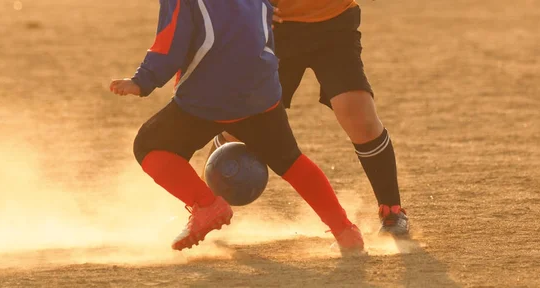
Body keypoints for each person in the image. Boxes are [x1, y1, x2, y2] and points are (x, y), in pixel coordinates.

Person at [109, 0, 364, 253]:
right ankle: (345, 230)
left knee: (149, 145)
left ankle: (206, 204)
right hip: (260, 91)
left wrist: (142, 81)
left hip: (211, 94)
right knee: (291, 161)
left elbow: (170, 44)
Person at [203, 0, 410, 236]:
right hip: (274, 29)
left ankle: (391, 209)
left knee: (357, 114)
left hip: (334, 25)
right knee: (242, 123)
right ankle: (206, 206)